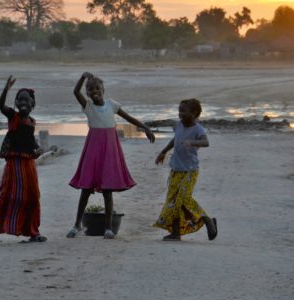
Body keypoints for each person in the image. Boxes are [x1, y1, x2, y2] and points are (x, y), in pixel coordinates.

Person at [67, 72, 155, 239]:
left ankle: (108, 228)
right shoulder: (88, 106)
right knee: (86, 189)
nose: (94, 91)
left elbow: (129, 118)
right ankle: (77, 224)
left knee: (107, 190)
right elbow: (75, 92)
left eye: (97, 88)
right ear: (87, 93)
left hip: (110, 150)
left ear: (103, 89)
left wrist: (146, 128)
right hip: (93, 150)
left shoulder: (112, 105)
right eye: (90, 89)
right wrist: (82, 78)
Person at [0, 76, 45, 246]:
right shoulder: (13, 117)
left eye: (26, 100)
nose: (23, 102)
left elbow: (30, 141)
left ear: (32, 104)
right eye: (20, 100)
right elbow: (0, 106)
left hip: (29, 163)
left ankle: (32, 232)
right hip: (15, 163)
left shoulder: (31, 121)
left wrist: (38, 149)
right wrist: (6, 89)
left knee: (33, 196)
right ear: (15, 103)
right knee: (9, 195)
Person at [153, 98, 217, 241]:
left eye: (183, 111)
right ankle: (176, 233)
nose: (180, 114)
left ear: (194, 113)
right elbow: (175, 140)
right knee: (173, 201)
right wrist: (163, 151)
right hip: (176, 169)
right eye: (179, 110)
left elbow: (206, 142)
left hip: (190, 171)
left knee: (184, 199)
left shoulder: (198, 129)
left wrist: (192, 142)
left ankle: (207, 219)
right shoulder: (178, 125)